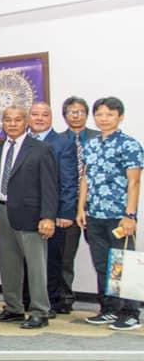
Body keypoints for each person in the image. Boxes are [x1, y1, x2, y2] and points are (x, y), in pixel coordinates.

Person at [0, 106, 58, 329]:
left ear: (25, 121)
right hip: (4, 212)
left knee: (36, 266)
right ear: (3, 122)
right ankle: (13, 308)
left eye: (18, 120)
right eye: (8, 120)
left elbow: (50, 186)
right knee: (9, 265)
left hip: (32, 215)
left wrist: (48, 217)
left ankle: (39, 311)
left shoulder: (41, 149)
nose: (13, 123)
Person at [77, 96, 142, 331]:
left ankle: (131, 312)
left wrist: (130, 215)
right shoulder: (90, 144)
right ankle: (108, 309)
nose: (104, 119)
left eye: (109, 114)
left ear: (120, 117)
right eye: (100, 114)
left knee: (123, 265)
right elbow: (85, 178)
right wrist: (80, 209)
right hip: (94, 215)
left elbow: (134, 182)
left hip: (119, 216)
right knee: (102, 264)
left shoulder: (129, 144)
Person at [27, 101, 79, 315]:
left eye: (44, 115)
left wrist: (65, 212)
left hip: (53, 213)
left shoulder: (63, 142)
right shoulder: (22, 141)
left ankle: (51, 302)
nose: (39, 118)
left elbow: (68, 181)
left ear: (51, 118)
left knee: (51, 260)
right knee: (28, 259)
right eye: (35, 114)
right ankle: (29, 299)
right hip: (26, 212)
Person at [60, 96, 99, 311]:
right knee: (65, 256)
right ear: (64, 115)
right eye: (72, 112)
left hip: (97, 206)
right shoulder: (57, 140)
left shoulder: (99, 137)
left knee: (104, 257)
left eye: (81, 111)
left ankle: (111, 302)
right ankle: (65, 299)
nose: (76, 115)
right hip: (68, 205)